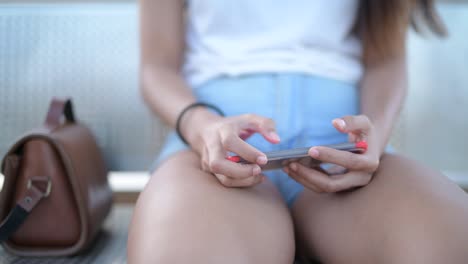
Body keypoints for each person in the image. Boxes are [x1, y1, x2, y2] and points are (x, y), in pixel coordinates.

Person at [128, 0, 468, 263]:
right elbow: (157, 68)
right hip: (216, 150)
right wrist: (203, 127)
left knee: (451, 244)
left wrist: (374, 133)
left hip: (341, 153)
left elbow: (385, 60)